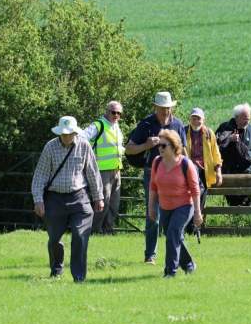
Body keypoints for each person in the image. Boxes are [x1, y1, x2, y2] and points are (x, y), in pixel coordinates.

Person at [31, 116, 104, 282]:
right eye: (65, 134)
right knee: (54, 239)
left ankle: (79, 277)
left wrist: (98, 197)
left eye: (71, 133)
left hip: (80, 197)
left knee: (80, 235)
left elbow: (92, 172)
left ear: (75, 132)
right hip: (54, 199)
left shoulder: (84, 146)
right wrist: (38, 199)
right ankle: (56, 270)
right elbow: (40, 175)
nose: (68, 137)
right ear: (59, 133)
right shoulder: (50, 147)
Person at [125, 91, 187, 265]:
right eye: (162, 108)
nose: (166, 111)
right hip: (152, 173)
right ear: (155, 107)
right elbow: (129, 149)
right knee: (154, 215)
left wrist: (188, 171)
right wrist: (146, 144)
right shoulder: (145, 124)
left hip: (175, 175)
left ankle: (176, 253)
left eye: (168, 107)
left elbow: (183, 150)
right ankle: (150, 255)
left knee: (174, 215)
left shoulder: (178, 124)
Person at [148, 130, 203, 278]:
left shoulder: (186, 163)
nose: (160, 148)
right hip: (165, 207)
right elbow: (153, 186)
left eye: (163, 145)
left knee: (172, 233)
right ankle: (189, 265)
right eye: (159, 145)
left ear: (173, 147)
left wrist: (197, 212)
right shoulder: (157, 162)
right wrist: (150, 207)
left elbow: (195, 189)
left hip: (184, 205)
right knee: (175, 236)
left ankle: (170, 271)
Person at [79, 101, 124, 235]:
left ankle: (108, 231)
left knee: (114, 205)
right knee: (102, 203)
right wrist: (90, 158)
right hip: (101, 171)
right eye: (113, 112)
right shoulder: (98, 125)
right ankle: (94, 231)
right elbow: (81, 138)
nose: (116, 115)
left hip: (117, 170)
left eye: (119, 113)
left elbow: (117, 148)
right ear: (107, 112)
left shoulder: (115, 126)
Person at [216, 103, 251, 206]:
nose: (247, 121)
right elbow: (216, 146)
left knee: (246, 199)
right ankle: (234, 219)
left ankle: (245, 220)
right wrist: (229, 139)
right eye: (244, 119)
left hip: (247, 170)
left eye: (249, 119)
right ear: (236, 117)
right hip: (229, 170)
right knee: (231, 200)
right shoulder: (224, 127)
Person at [184, 107, 223, 232]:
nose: (196, 121)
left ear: (203, 120)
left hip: (203, 173)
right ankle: (189, 229)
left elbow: (216, 153)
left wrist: (218, 172)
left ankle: (196, 229)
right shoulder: (183, 131)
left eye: (199, 119)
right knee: (188, 200)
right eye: (194, 118)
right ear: (189, 119)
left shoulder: (209, 133)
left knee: (200, 202)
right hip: (187, 172)